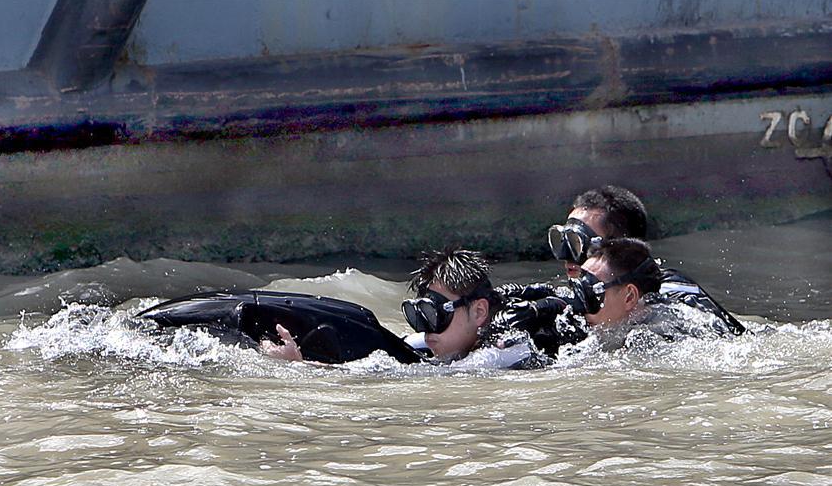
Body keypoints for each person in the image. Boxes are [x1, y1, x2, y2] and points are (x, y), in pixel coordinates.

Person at [264, 249, 553, 369]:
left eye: (437, 314)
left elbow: (439, 377)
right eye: (421, 314)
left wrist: (306, 369)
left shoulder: (509, 350)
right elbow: (381, 363)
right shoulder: (428, 343)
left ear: (478, 313)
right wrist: (304, 357)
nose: (427, 328)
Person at [542, 185, 746, 335]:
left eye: (578, 244)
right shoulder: (591, 298)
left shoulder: (663, 295)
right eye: (564, 241)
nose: (567, 257)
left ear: (621, 248)